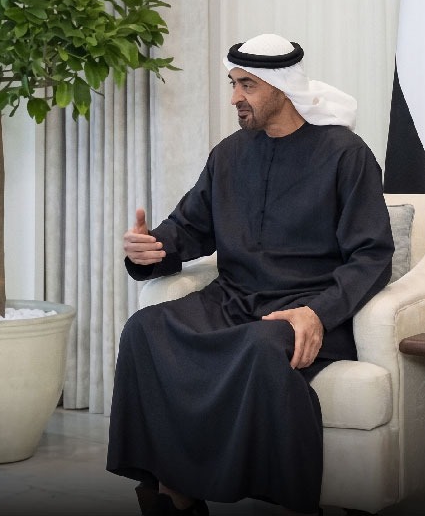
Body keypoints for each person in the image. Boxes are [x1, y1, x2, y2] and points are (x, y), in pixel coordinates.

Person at [107, 34, 394, 516]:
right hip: (233, 300)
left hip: (305, 308)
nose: (235, 98)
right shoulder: (228, 155)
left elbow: (372, 255)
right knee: (144, 329)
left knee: (261, 347)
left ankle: (288, 501)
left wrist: (318, 313)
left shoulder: (346, 154)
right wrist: (150, 250)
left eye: (248, 86)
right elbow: (188, 229)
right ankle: (173, 491)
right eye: (233, 84)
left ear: (283, 87)